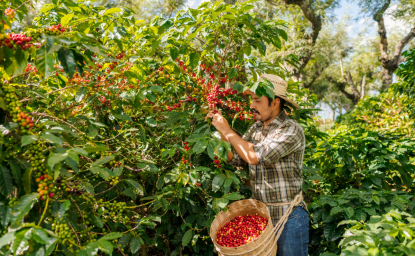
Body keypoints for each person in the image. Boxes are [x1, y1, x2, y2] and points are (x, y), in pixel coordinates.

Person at [205, 74, 308, 256]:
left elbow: (255, 156)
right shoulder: (255, 129)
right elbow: (236, 158)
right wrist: (222, 131)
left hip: (289, 216)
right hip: (261, 218)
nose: (251, 106)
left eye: (257, 100)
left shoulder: (291, 129)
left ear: (275, 103)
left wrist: (227, 130)